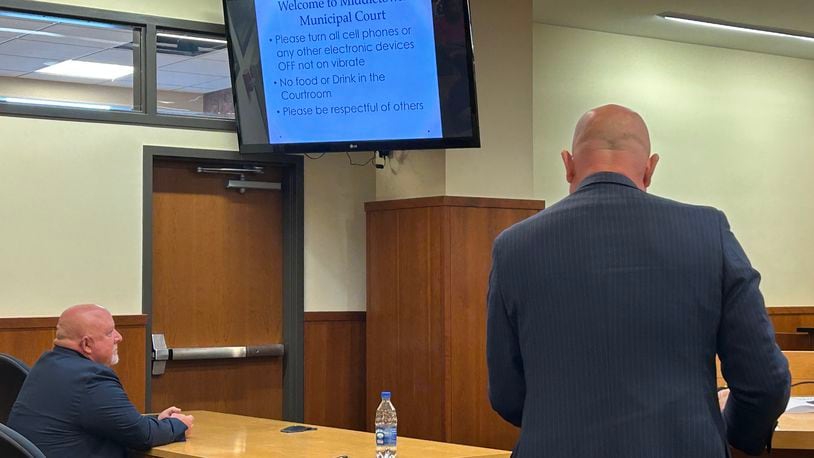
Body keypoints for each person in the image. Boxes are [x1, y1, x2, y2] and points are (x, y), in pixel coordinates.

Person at [486, 104, 790, 457]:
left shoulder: (513, 247)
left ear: (568, 164)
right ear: (650, 168)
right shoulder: (709, 233)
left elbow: (507, 394)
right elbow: (765, 383)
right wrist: (731, 432)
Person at [8, 304, 194, 457]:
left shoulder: (47, 365)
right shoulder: (91, 378)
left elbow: (115, 423)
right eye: (110, 332)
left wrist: (156, 421)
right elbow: (141, 436)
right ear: (87, 345)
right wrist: (178, 424)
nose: (119, 337)